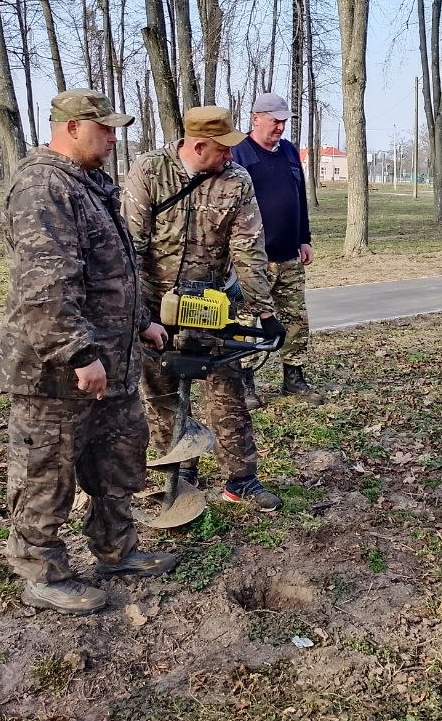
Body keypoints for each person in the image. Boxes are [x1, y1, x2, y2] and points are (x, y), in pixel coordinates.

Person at [0, 89, 178, 616]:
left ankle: (116, 549)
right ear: (72, 127)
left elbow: (111, 270)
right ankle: (42, 572)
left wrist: (142, 322)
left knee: (116, 461)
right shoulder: (42, 188)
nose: (113, 137)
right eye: (104, 128)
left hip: (111, 363)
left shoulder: (90, 185)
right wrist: (77, 354)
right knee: (46, 472)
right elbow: (44, 286)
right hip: (56, 373)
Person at [122, 104, 287, 512]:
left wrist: (264, 311)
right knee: (162, 396)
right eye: (222, 149)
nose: (231, 155)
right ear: (198, 145)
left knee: (227, 392)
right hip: (157, 305)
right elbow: (130, 250)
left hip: (213, 303)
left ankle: (241, 479)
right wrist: (141, 318)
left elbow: (248, 248)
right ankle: (181, 474)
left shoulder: (236, 180)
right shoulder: (149, 172)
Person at [230, 92, 324, 408]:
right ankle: (245, 384)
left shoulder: (288, 152)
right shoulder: (238, 153)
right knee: (246, 322)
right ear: (256, 118)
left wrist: (304, 238)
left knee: (297, 318)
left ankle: (293, 378)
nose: (280, 127)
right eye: (275, 121)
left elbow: (299, 196)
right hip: (251, 261)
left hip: (289, 256)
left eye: (284, 122)